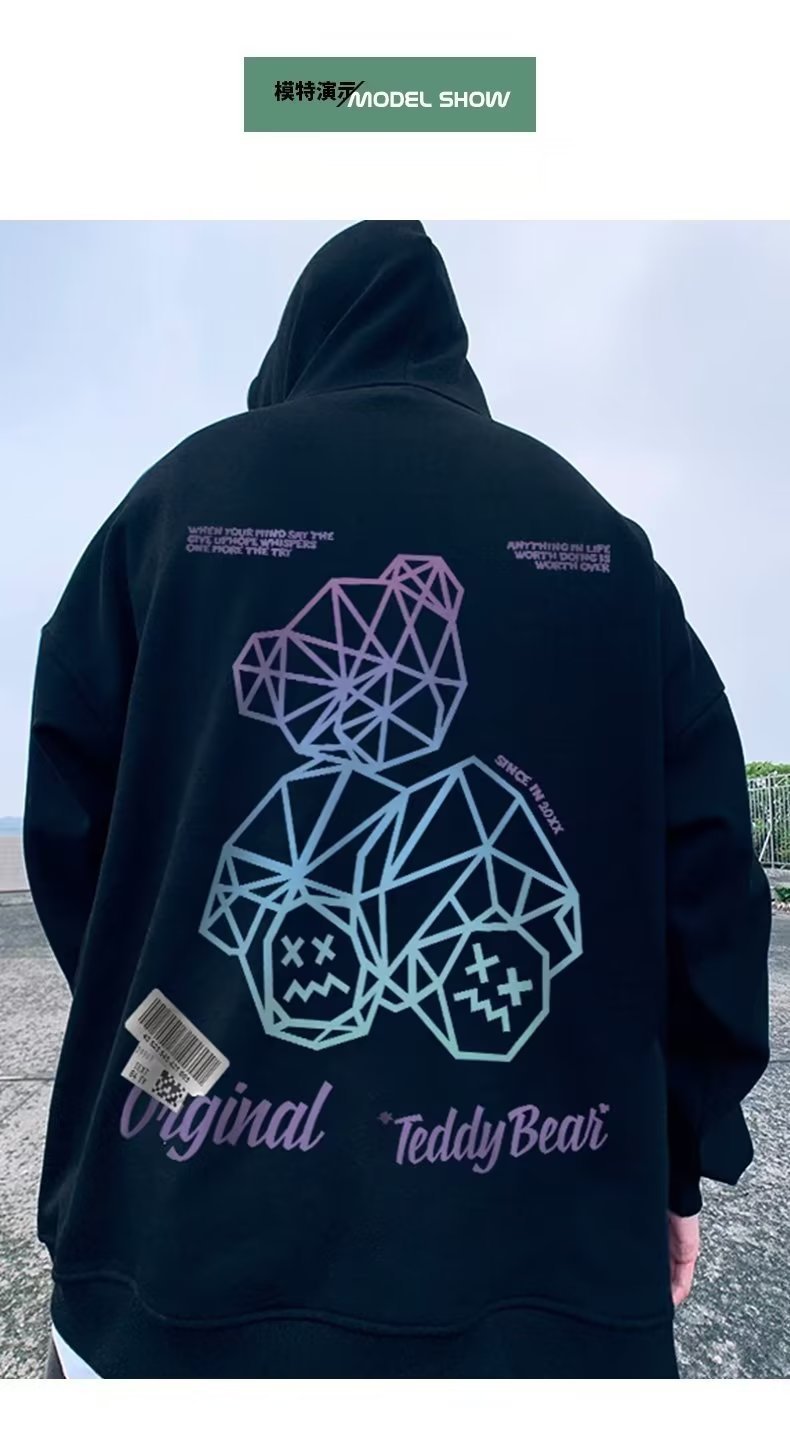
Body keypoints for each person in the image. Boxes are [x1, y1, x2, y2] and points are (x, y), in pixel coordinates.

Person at [24, 220, 771, 1379]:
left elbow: (73, 835)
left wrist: (176, 1025)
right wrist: (675, 1153)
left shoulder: (174, 508)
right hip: (547, 1287)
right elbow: (709, 874)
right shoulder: (598, 542)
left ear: (294, 349)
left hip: (176, 1272)